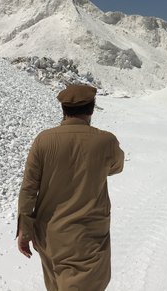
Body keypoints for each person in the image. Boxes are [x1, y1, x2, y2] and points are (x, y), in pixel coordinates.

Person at [16, 84, 124, 291]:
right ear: (92, 110)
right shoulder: (106, 141)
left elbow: (29, 188)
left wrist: (25, 230)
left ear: (64, 110)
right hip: (88, 237)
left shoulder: (43, 140)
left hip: (49, 235)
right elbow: (116, 167)